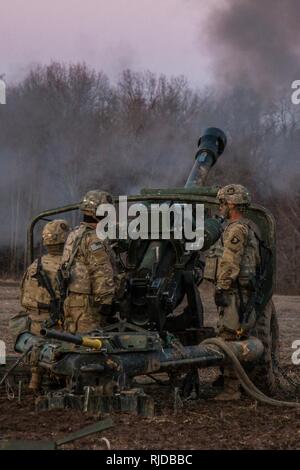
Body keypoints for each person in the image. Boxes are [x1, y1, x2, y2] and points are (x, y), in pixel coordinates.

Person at [204, 184, 261, 400]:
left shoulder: (236, 229)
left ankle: (232, 389)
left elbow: (230, 262)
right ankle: (233, 382)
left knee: (228, 337)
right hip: (239, 292)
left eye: (223, 203)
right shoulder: (243, 227)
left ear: (232, 204)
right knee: (234, 335)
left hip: (235, 293)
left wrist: (222, 287)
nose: (220, 207)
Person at [18, 219, 70, 390]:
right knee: (62, 349)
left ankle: (35, 381)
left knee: (37, 347)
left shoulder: (35, 265)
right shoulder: (67, 266)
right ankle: (61, 382)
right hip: (55, 320)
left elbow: (23, 295)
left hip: (35, 319)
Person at [61, 190, 117, 334]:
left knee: (74, 340)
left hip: (70, 301)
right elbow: (101, 273)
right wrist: (106, 303)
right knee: (90, 347)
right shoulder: (94, 238)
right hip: (87, 306)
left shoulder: (74, 234)